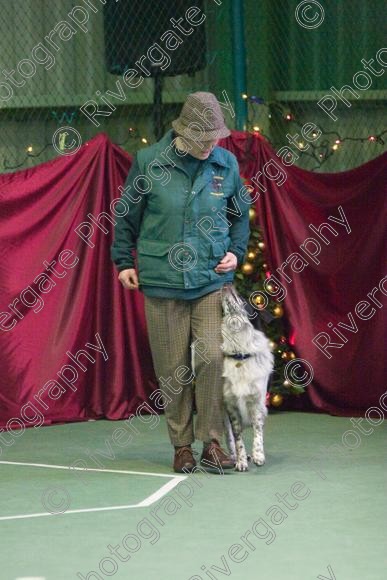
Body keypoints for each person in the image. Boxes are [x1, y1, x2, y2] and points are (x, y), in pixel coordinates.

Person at [111, 92, 250, 473]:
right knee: (173, 369)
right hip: (162, 282)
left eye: (214, 137)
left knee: (210, 358)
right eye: (204, 138)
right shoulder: (149, 162)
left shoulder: (226, 164)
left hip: (210, 280)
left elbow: (240, 216)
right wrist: (123, 260)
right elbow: (127, 216)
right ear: (184, 133)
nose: (210, 145)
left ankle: (214, 443)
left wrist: (236, 251)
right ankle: (182, 446)